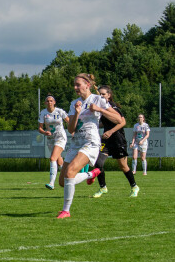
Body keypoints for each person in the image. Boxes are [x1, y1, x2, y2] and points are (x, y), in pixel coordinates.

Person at [57, 73, 122, 219]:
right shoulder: (75, 103)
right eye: (74, 85)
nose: (75, 87)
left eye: (78, 84)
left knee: (70, 173)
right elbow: (71, 129)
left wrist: (100, 110)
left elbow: (118, 119)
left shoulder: (98, 99)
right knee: (62, 182)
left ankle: (66, 210)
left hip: (91, 142)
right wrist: (77, 113)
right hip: (76, 143)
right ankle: (91, 174)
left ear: (87, 85)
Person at [89, 85, 140, 198]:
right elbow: (104, 123)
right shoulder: (100, 107)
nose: (101, 96)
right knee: (98, 163)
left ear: (109, 95)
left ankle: (134, 186)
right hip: (106, 140)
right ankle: (103, 188)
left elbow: (122, 122)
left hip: (117, 139)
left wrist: (111, 131)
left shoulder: (112, 107)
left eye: (104, 94)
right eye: (100, 94)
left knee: (123, 166)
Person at [38, 95, 69, 190]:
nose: (49, 102)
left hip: (60, 136)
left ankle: (51, 183)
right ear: (45, 103)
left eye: (51, 101)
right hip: (50, 138)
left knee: (52, 158)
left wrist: (74, 130)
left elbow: (69, 121)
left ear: (54, 102)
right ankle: (68, 176)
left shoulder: (60, 111)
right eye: (47, 101)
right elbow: (40, 128)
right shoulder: (43, 113)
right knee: (59, 161)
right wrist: (44, 132)